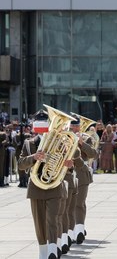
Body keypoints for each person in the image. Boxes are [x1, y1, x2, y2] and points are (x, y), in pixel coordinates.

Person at [18, 110, 67, 259]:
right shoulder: (28, 143)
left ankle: (52, 250)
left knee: (52, 219)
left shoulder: (59, 142)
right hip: (36, 187)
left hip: (54, 186)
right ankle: (43, 252)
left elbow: (69, 158)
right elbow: (20, 164)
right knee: (39, 223)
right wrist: (34, 157)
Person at [68, 115, 97, 245]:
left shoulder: (86, 138)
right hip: (66, 174)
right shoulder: (62, 138)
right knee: (67, 205)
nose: (74, 128)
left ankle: (79, 230)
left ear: (80, 126)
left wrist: (81, 143)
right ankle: (69, 231)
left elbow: (93, 154)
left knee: (79, 203)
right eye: (72, 125)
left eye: (76, 125)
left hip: (81, 174)